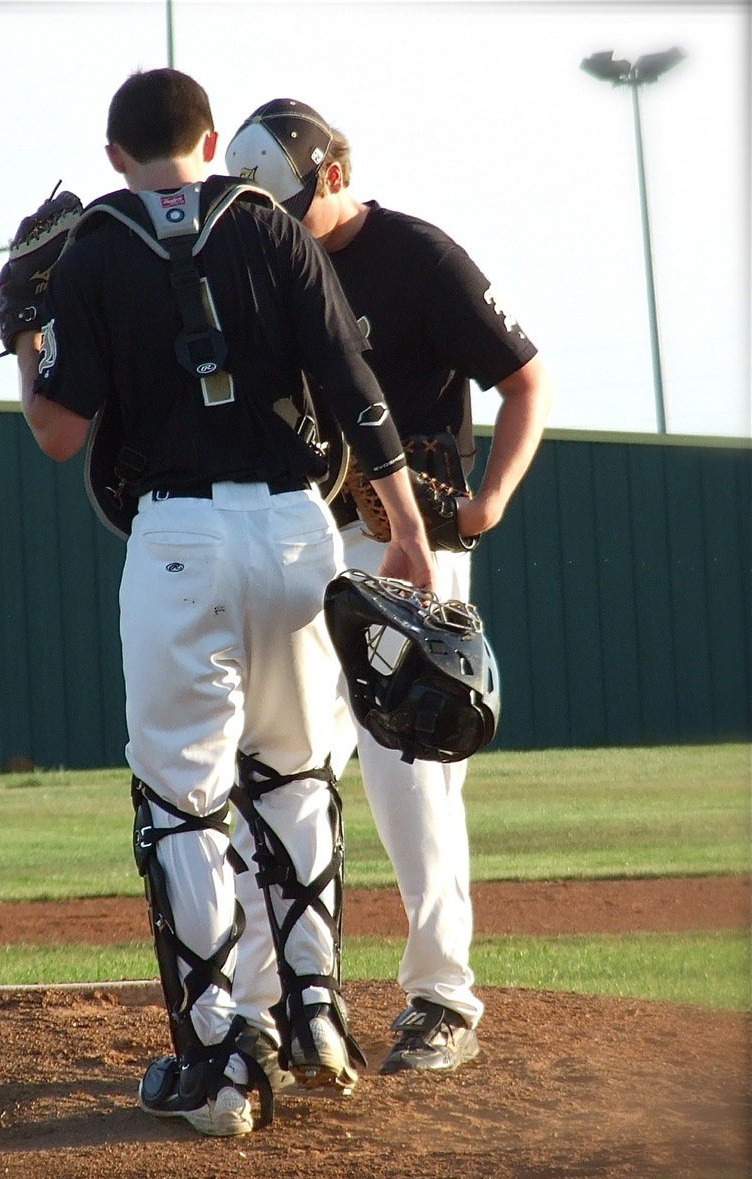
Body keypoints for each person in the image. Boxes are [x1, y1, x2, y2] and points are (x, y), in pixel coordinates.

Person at [2, 70, 435, 1137]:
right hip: (296, 530)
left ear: (113, 157)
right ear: (210, 137)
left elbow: (59, 434)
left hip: (181, 539)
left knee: (183, 799)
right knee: (294, 771)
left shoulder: (95, 248)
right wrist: (409, 529)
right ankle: (316, 1008)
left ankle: (219, 1057)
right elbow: (350, 379)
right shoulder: (271, 228)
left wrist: (27, 332)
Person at [226, 99, 554, 1075]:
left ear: (331, 175)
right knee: (283, 765)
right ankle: (282, 993)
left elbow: (525, 378)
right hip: (302, 541)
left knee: (411, 769)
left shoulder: (416, 257)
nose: (276, 225)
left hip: (407, 556)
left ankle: (441, 997)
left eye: (289, 206)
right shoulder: (261, 261)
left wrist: (489, 499)